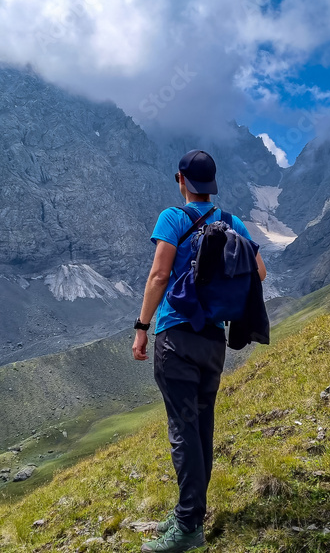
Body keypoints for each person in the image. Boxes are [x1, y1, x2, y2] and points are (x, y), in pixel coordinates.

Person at [132, 149, 266, 552]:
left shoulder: (172, 218)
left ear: (181, 180)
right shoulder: (232, 222)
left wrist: (141, 328)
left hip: (176, 337)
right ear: (213, 185)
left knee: (183, 431)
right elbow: (259, 273)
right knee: (201, 427)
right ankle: (188, 513)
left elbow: (158, 274)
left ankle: (189, 526)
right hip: (213, 341)